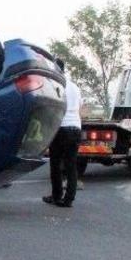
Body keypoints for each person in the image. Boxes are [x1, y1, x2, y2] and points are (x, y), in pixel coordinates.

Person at [43, 64, 82, 208]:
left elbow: (51, 106)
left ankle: (56, 195)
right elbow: (79, 106)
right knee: (71, 165)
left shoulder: (55, 85)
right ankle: (69, 199)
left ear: (55, 69)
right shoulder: (75, 87)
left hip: (61, 128)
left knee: (56, 164)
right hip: (76, 128)